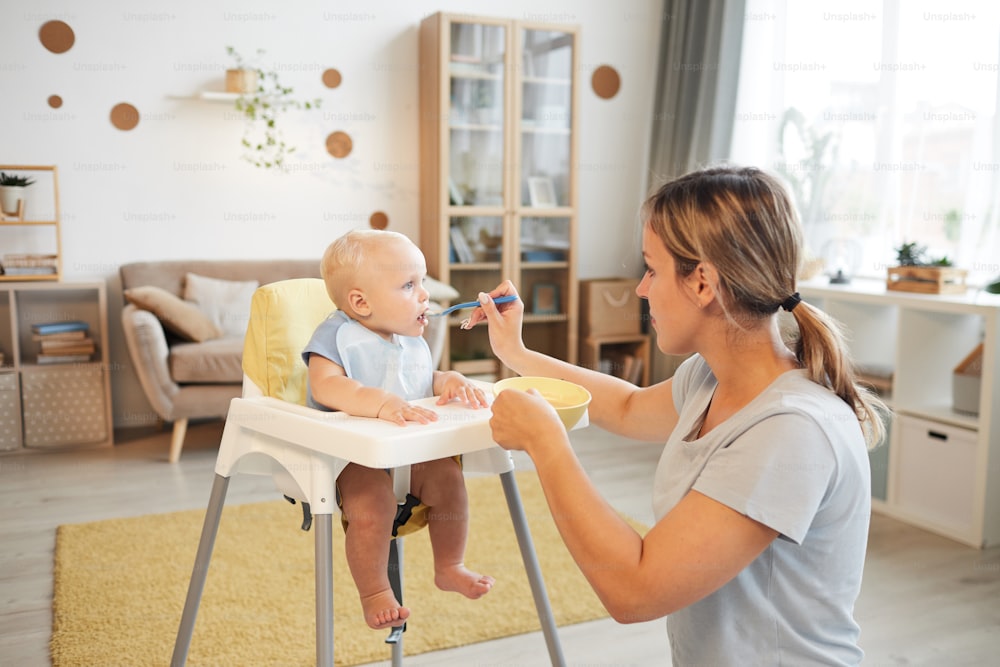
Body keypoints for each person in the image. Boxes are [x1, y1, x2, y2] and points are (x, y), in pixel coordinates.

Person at [465, 166, 887, 665]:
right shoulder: (708, 378)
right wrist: (518, 354)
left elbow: (635, 591)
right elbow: (624, 406)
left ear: (703, 282)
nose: (641, 290)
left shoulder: (790, 430)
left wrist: (547, 444)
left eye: (652, 270)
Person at [303, 229, 494, 631]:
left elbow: (420, 381)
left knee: (449, 480)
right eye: (409, 285)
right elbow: (326, 384)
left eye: (422, 281)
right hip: (353, 456)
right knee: (372, 507)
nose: (425, 294)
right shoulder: (337, 336)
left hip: (411, 453)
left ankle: (449, 565)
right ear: (361, 302)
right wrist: (379, 403)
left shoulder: (408, 341)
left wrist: (449, 381)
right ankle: (374, 592)